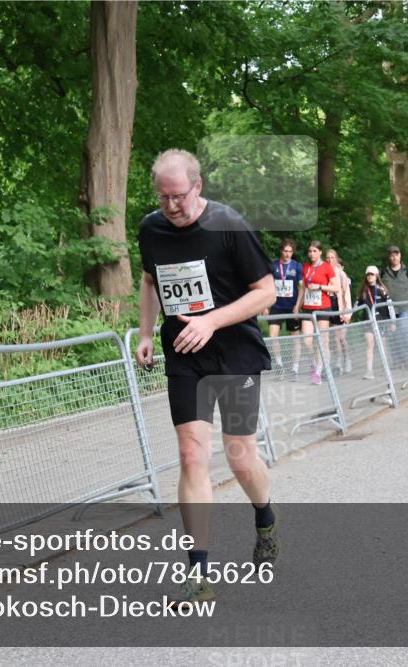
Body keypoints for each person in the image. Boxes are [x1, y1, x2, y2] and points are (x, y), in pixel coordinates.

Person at [134, 149, 278, 608]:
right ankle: (198, 574)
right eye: (163, 197)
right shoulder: (151, 228)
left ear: (197, 187)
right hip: (185, 354)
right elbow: (149, 281)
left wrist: (211, 321)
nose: (171, 206)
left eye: (178, 196)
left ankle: (265, 518)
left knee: (240, 457)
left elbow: (266, 292)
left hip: (235, 353)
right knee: (192, 455)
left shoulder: (227, 224)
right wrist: (145, 333)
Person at [295, 240, 339, 385]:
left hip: (323, 307)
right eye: (310, 251)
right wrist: (297, 305)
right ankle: (315, 363)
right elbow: (303, 288)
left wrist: (320, 287)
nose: (312, 254)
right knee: (306, 339)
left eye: (315, 251)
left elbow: (336, 287)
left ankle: (318, 372)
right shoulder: (306, 267)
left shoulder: (327, 267)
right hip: (308, 307)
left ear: (320, 252)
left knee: (322, 340)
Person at [380, 245, 408, 368]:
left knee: (404, 331)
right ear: (389, 257)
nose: (394, 257)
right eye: (392, 255)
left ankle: (406, 358)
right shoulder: (383, 272)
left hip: (405, 307)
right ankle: (397, 360)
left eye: (396, 255)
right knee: (392, 334)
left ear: (400, 255)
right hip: (389, 309)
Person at [265, 239, 303, 373]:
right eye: (285, 251)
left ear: (293, 252)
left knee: (295, 337)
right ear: (281, 251)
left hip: (292, 306)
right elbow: (267, 286)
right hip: (276, 306)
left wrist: (297, 306)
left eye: (290, 251)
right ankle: (279, 364)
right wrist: (265, 306)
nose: (287, 254)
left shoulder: (297, 266)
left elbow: (302, 288)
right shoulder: (273, 265)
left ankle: (295, 368)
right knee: (272, 336)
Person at [355, 266, 393, 380]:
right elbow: (356, 305)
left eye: (372, 274)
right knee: (369, 344)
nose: (370, 276)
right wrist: (348, 315)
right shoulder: (363, 291)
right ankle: (369, 370)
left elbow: (390, 306)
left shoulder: (382, 289)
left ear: (376, 276)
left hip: (381, 321)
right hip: (368, 321)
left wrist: (392, 322)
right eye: (368, 274)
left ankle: (385, 367)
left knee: (382, 345)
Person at [325, 248, 352, 374]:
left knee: (339, 338)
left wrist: (347, 313)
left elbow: (347, 295)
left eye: (332, 258)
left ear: (336, 259)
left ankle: (343, 360)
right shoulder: (323, 272)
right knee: (330, 338)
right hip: (326, 305)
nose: (330, 260)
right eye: (328, 258)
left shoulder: (341, 275)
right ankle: (332, 362)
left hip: (339, 307)